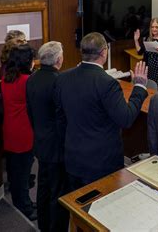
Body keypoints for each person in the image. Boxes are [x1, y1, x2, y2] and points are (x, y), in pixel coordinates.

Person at [54, 32, 149, 190]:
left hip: (73, 157)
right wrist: (139, 87)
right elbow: (125, 119)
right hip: (101, 163)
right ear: (104, 52)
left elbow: (60, 118)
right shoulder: (107, 83)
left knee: (77, 207)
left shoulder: (63, 78)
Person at [26, 41, 68, 231]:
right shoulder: (59, 81)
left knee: (43, 187)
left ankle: (43, 225)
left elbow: (30, 112)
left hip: (40, 141)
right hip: (57, 145)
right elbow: (63, 115)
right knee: (58, 190)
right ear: (58, 59)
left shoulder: (32, 79)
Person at [1, 44, 37, 220]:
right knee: (23, 174)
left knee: (15, 174)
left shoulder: (6, 78)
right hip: (24, 133)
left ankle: (22, 203)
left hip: (9, 131)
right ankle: (26, 208)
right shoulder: (27, 81)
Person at [135, 18, 158, 91]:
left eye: (156, 27)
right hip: (150, 71)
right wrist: (136, 40)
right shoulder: (148, 39)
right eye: (152, 27)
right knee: (150, 90)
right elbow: (139, 52)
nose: (154, 29)